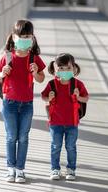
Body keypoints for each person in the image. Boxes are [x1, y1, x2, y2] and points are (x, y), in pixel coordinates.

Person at [0, 19, 46, 183]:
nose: (24, 38)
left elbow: (41, 79)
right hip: (9, 104)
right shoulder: (8, 56)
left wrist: (36, 72)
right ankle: (10, 169)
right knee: (11, 137)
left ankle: (20, 170)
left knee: (23, 137)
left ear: (32, 38)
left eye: (28, 36)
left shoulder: (33, 58)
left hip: (27, 104)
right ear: (14, 37)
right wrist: (2, 73)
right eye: (21, 36)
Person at [41, 53, 89, 181]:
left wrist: (78, 97)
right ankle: (55, 169)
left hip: (72, 122)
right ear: (55, 69)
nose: (65, 71)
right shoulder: (52, 84)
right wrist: (48, 97)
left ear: (74, 68)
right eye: (61, 68)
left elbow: (86, 98)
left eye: (68, 68)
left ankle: (71, 169)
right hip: (55, 122)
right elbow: (43, 96)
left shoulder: (78, 84)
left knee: (71, 147)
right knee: (55, 146)